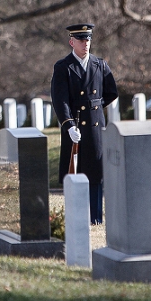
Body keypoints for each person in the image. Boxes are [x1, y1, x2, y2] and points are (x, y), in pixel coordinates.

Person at [50, 23, 119, 224]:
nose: (85, 43)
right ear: (72, 42)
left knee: (95, 173)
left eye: (87, 39)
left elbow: (111, 92)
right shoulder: (63, 67)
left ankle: (96, 217)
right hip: (75, 125)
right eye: (81, 40)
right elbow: (59, 99)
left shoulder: (100, 64)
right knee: (76, 173)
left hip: (95, 124)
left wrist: (94, 107)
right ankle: (76, 217)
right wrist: (69, 124)